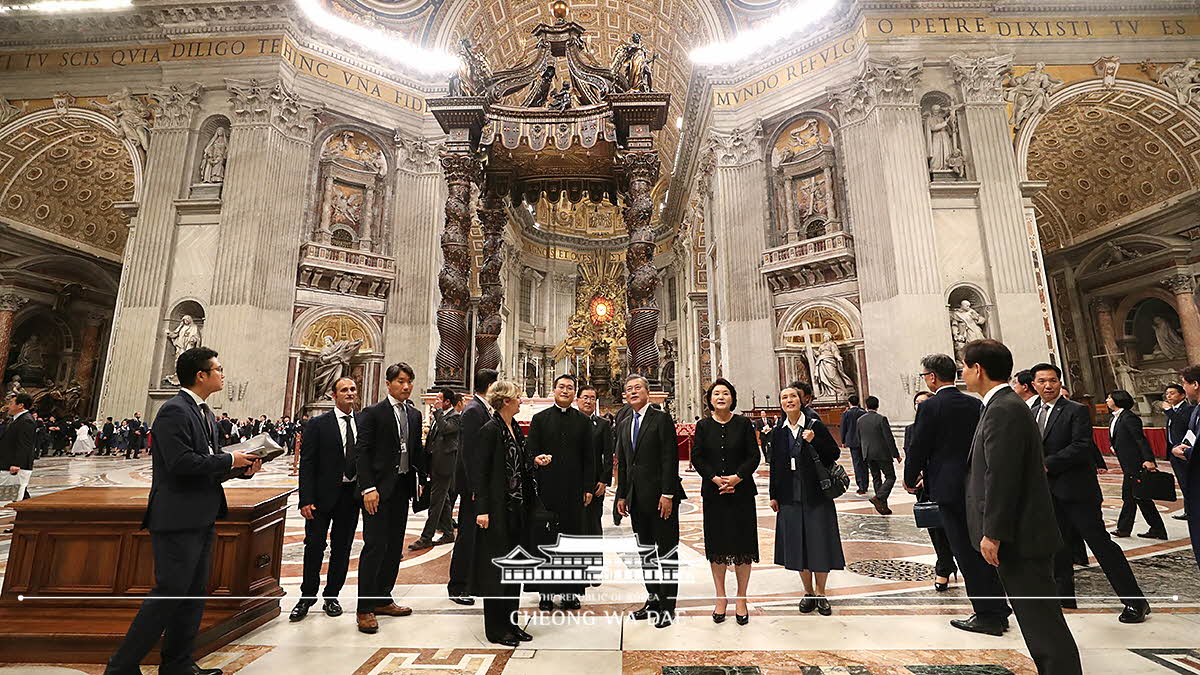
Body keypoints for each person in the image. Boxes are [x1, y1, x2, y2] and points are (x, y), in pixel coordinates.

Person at [105, 347, 260, 675]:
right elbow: (180, 463)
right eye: (218, 369)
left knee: (192, 595)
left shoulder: (203, 413)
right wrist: (229, 459)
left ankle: (177, 664)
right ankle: (120, 667)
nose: (223, 374)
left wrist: (239, 468)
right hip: (177, 518)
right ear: (200, 375)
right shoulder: (174, 411)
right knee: (168, 594)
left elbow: (207, 464)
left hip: (201, 515)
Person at [962, 340, 1082, 675]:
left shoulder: (1004, 408)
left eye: (964, 365)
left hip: (1021, 536)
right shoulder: (1001, 405)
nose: (963, 372)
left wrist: (993, 532)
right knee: (1036, 621)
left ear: (977, 369)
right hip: (1021, 532)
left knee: (1042, 623)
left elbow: (1002, 476)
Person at [1030, 363, 1149, 622]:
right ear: (1034, 384)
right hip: (1048, 492)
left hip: (1077, 491)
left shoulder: (1076, 410)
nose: (1047, 386)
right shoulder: (1033, 411)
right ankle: (1064, 597)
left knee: (1101, 544)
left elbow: (1081, 445)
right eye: (1042, 381)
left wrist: (1047, 464)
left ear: (1060, 383)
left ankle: (1134, 601)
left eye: (1052, 381)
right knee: (1057, 545)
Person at [904, 353, 1012, 635]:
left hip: (948, 488)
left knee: (964, 551)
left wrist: (909, 477)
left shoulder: (930, 407)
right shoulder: (974, 403)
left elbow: (919, 446)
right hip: (976, 484)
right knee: (982, 547)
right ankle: (999, 607)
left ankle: (987, 614)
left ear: (931, 377)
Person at [473, 380, 553, 646]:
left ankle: (511, 622)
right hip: (497, 510)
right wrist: (482, 510)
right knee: (497, 569)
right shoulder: (489, 430)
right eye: (518, 397)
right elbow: (480, 473)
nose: (521, 400)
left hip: (519, 508)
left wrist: (534, 461)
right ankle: (495, 629)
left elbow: (518, 460)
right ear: (506, 401)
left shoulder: (514, 427)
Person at [354, 362, 426, 634]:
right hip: (377, 490)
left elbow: (415, 450)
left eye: (409, 381)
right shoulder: (373, 413)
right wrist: (367, 488)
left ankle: (383, 598)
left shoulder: (415, 414)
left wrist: (421, 480)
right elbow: (362, 453)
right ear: (389, 383)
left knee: (395, 546)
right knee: (375, 546)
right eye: (401, 381)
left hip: (402, 488)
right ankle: (364, 608)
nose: (406, 386)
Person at [616, 374, 685, 628]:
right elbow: (624, 463)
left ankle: (668, 607)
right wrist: (622, 494)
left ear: (647, 392)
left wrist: (668, 493)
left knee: (666, 551)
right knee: (646, 552)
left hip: (660, 498)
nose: (633, 392)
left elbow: (670, 457)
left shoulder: (661, 418)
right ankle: (653, 598)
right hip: (636, 499)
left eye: (637, 388)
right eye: (629, 389)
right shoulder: (624, 423)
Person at [768, 380, 843, 616]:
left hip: (816, 492)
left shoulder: (814, 425)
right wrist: (773, 494)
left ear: (801, 401)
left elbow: (834, 453)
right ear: (781, 404)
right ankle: (808, 592)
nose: (789, 401)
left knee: (819, 541)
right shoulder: (779, 432)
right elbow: (775, 466)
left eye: (793, 397)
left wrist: (815, 440)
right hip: (790, 495)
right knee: (798, 544)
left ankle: (821, 592)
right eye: (784, 398)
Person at [291, 376, 362, 622]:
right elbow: (307, 464)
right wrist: (305, 499)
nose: (350, 393)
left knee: (342, 549)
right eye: (344, 390)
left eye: (353, 389)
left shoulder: (362, 422)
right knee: (314, 547)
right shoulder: (319, 424)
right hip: (321, 498)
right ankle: (307, 596)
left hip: (350, 497)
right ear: (334, 395)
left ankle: (332, 596)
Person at [691, 378, 759, 625]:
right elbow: (697, 457)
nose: (721, 397)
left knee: (743, 546)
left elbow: (754, 455)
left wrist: (736, 478)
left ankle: (741, 597)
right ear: (709, 399)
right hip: (714, 493)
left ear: (732, 398)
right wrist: (715, 479)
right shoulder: (703, 426)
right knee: (717, 546)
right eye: (716, 393)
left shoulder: (743, 424)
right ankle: (721, 596)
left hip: (741, 493)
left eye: (725, 393)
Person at [525, 373, 595, 610]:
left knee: (572, 541)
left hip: (574, 490)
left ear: (574, 393)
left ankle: (570, 591)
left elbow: (590, 458)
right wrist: (536, 459)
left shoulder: (584, 422)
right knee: (545, 540)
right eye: (561, 387)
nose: (565, 391)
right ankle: (545, 593)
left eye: (569, 388)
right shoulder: (540, 419)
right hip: (547, 489)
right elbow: (530, 451)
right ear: (553, 390)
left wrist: (588, 487)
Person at [448, 368, 499, 605]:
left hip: (478, 484)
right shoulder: (473, 411)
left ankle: (471, 581)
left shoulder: (482, 410)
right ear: (489, 387)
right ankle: (457, 586)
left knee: (475, 535)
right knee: (467, 535)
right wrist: (475, 488)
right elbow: (468, 454)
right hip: (471, 486)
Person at [905, 391, 957, 591]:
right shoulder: (911, 429)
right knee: (935, 529)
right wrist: (915, 478)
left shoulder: (946, 427)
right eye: (917, 403)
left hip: (944, 481)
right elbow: (911, 455)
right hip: (924, 488)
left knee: (953, 528)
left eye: (924, 403)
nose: (920, 407)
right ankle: (944, 566)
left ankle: (949, 565)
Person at [1106, 389, 1166, 540]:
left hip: (1136, 462)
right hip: (1127, 462)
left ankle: (1125, 528)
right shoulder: (1114, 418)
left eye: (1109, 398)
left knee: (1133, 496)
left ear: (1117, 400)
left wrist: (1149, 459)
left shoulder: (1129, 418)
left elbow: (1140, 439)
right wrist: (1115, 446)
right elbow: (1118, 437)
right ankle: (1156, 529)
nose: (1107, 400)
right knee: (1139, 497)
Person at [411, 387, 462, 550]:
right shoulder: (439, 416)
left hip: (445, 466)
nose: (436, 401)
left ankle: (426, 537)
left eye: (439, 399)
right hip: (436, 464)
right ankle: (448, 533)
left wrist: (438, 412)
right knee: (443, 500)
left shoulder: (455, 417)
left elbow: (447, 430)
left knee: (436, 502)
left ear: (447, 402)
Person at [1171, 365, 1200, 570]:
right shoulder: (1197, 409)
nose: (1184, 388)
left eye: (1184, 384)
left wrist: (1186, 452)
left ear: (1195, 385)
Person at [577, 383, 614, 536]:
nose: (588, 401)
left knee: (593, 521)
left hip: (595, 481)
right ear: (578, 400)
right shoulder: (569, 421)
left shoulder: (603, 424)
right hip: (573, 481)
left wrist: (604, 480)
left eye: (592, 398)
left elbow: (608, 454)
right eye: (585, 397)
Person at [856, 395, 901, 515]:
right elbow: (888, 438)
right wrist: (896, 454)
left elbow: (859, 438)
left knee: (876, 478)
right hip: (882, 453)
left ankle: (882, 506)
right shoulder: (881, 419)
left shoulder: (860, 420)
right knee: (891, 477)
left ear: (866, 406)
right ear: (877, 405)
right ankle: (879, 497)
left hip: (868, 453)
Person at [1162, 384, 1193, 522]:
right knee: (1182, 482)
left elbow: (1182, 424)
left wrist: (1169, 412)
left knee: (1189, 482)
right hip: (1173, 451)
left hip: (1184, 450)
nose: (1168, 396)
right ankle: (1189, 510)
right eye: (1167, 394)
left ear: (1182, 395)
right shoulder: (1173, 410)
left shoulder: (1188, 409)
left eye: (1172, 393)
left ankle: (1192, 510)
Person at [1, 393, 37, 503]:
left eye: (11, 403)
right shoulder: (16, 419)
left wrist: (17, 463)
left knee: (17, 494)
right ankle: (30, 515)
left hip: (16, 465)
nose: (8, 406)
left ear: (20, 405)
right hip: (8, 462)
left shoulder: (26, 421)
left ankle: (31, 515)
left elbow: (24, 444)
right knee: (17, 494)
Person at [839, 395, 869, 495]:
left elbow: (843, 427)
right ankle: (865, 484)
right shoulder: (863, 412)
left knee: (857, 464)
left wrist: (843, 440)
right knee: (864, 463)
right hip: (863, 440)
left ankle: (861, 485)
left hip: (852, 441)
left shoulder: (846, 413)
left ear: (849, 403)